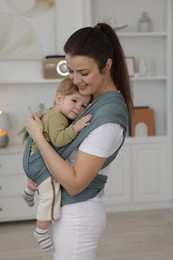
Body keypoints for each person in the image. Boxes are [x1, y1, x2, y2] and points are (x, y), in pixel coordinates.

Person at [25, 23, 133, 260]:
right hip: (70, 209)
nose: (76, 80)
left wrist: (37, 138)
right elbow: (65, 147)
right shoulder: (91, 101)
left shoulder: (108, 118)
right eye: (71, 71)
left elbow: (75, 183)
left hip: (79, 213)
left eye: (84, 73)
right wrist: (42, 174)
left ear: (107, 65)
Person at [22, 77, 92, 252]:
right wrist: (76, 128)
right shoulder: (57, 118)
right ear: (59, 98)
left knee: (46, 184)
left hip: (33, 161)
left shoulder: (52, 113)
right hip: (40, 163)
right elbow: (59, 140)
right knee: (51, 194)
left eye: (83, 105)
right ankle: (41, 230)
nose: (78, 107)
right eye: (74, 101)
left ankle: (29, 191)